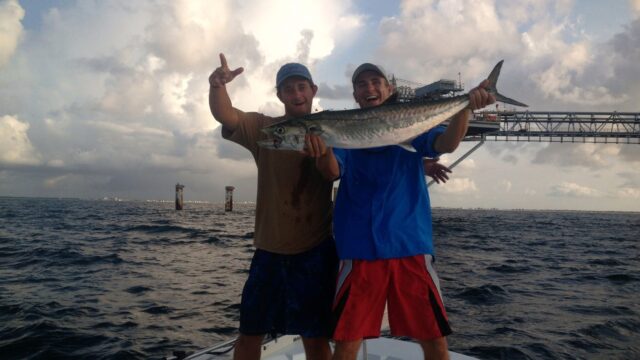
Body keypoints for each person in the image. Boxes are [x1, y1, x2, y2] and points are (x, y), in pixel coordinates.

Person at [307, 63, 495, 360]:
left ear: (389, 89)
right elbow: (331, 172)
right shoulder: (343, 131)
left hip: (409, 246)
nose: (369, 88)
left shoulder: (411, 125)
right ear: (355, 95)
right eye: (362, 84)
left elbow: (446, 142)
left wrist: (466, 108)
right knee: (347, 341)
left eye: (375, 81)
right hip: (359, 249)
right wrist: (323, 149)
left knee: (433, 339)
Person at [209, 53, 337, 360]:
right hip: (269, 250)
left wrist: (321, 154)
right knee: (250, 335)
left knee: (316, 339)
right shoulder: (264, 129)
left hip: (315, 250)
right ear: (279, 95)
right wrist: (217, 86)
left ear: (313, 91)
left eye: (301, 87)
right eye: (288, 89)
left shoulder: (332, 127)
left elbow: (332, 174)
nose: (296, 94)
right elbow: (227, 116)